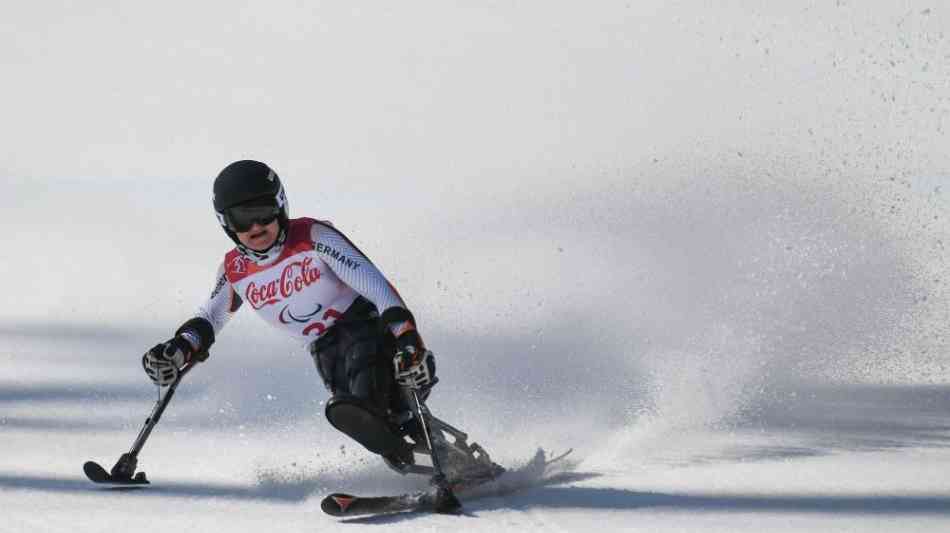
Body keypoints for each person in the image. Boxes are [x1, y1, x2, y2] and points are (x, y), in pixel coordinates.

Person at [141, 160, 436, 469]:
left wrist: (407, 338)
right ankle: (425, 460)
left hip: (365, 329)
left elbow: (377, 288)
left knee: (365, 404)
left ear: (280, 206)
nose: (256, 227)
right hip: (322, 349)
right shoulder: (236, 270)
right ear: (226, 223)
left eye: (263, 213)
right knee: (362, 421)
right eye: (242, 219)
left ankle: (420, 427)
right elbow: (210, 318)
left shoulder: (313, 237)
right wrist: (179, 348)